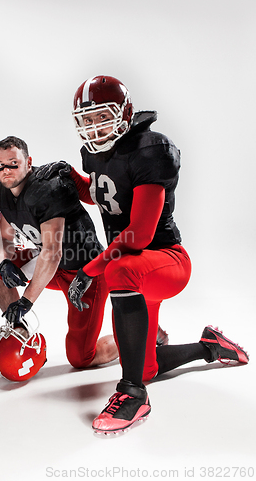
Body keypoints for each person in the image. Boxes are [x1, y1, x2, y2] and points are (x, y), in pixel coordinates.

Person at [39, 75, 249, 433]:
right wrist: (74, 178)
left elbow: (138, 235)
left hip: (165, 260)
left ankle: (133, 395)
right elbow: (104, 193)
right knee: (146, 364)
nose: (94, 127)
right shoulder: (94, 153)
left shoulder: (150, 148)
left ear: (125, 112)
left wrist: (91, 269)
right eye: (86, 120)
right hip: (132, 268)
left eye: (102, 117)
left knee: (119, 271)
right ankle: (209, 347)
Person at [0, 136, 118, 370]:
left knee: (81, 358)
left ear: (28, 162)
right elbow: (5, 235)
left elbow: (52, 252)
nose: (6, 171)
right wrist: (5, 261)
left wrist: (27, 300)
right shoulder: (1, 190)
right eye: (1, 166)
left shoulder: (47, 188)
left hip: (84, 273)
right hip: (51, 268)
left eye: (13, 164)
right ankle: (20, 334)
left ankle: (140, 335)